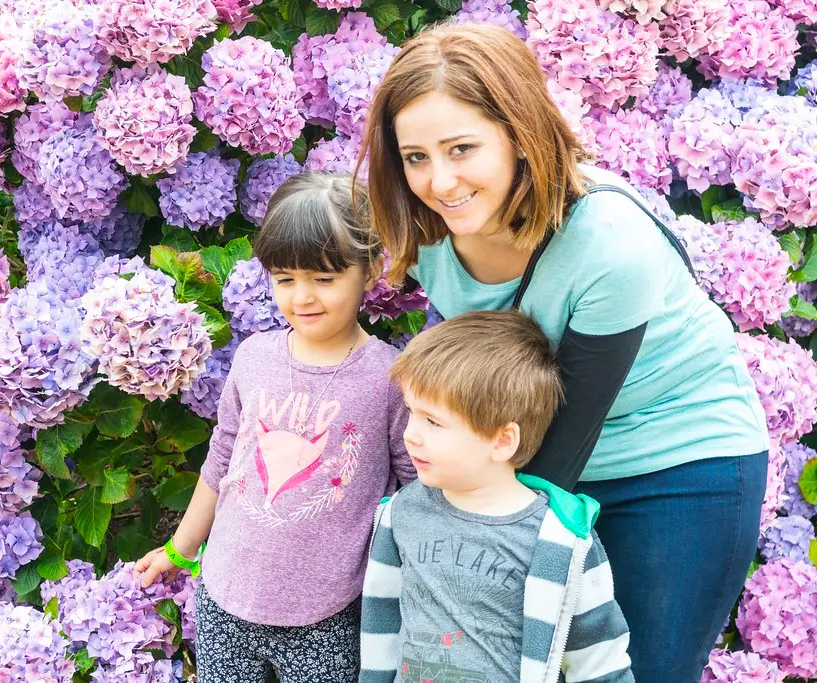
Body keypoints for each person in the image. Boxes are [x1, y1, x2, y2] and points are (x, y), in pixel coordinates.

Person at [361, 22, 769, 682]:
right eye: (415, 157)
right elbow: (458, 386)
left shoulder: (610, 242)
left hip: (677, 466)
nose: (439, 181)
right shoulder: (433, 226)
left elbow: (553, 458)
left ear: (520, 134)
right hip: (533, 451)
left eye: (462, 148)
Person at [135, 172, 416, 683]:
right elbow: (220, 461)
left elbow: (414, 491)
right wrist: (180, 548)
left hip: (328, 616)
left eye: (324, 279)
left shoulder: (389, 379)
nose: (302, 296)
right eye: (285, 278)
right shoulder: (254, 356)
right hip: (225, 601)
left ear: (371, 269)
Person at [359, 310, 634, 683]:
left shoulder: (560, 538)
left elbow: (600, 660)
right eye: (412, 412)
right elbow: (381, 626)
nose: (411, 434)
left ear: (502, 441)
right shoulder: (402, 513)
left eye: (434, 422)